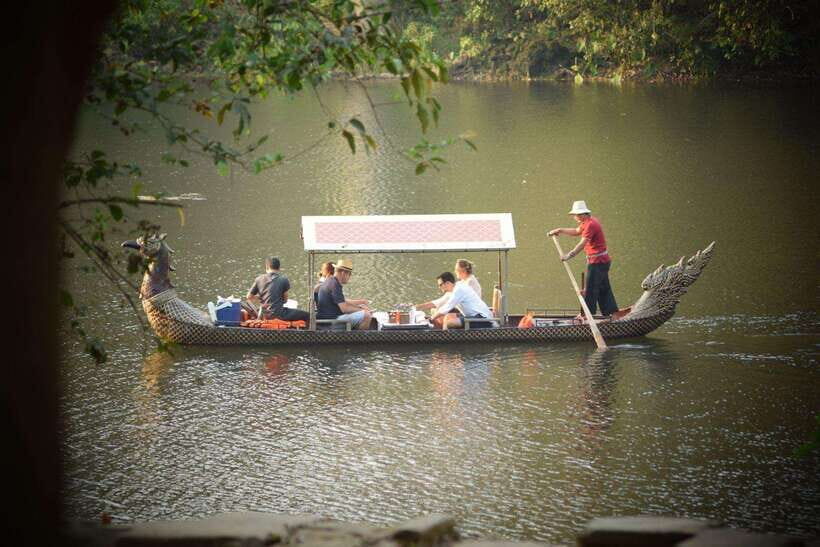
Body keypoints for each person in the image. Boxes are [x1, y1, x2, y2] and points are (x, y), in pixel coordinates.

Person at [548, 200, 619, 318]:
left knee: (590, 289)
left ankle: (586, 315)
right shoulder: (586, 222)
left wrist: (569, 255)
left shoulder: (591, 224)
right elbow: (576, 232)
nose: (574, 217)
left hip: (598, 262)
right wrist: (560, 230)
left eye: (575, 215)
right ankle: (612, 314)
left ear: (581, 214)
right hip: (601, 261)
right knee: (603, 287)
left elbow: (582, 243)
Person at [246, 256, 310, 322]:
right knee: (307, 315)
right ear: (279, 268)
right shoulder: (284, 279)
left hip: (264, 315)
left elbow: (249, 297)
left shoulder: (259, 279)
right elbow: (285, 300)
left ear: (267, 267)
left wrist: (260, 297)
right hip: (280, 314)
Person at [316, 258, 372, 330]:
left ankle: (355, 334)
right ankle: (360, 339)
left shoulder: (331, 281)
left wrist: (361, 305)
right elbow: (344, 309)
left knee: (362, 312)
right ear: (343, 273)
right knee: (366, 315)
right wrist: (362, 310)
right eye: (349, 274)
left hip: (329, 319)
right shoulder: (334, 284)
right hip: (330, 322)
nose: (349, 277)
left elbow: (343, 302)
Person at [429, 272, 494, 329]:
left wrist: (431, 318)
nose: (439, 287)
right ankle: (445, 337)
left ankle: (446, 340)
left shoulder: (458, 290)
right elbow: (445, 305)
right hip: (473, 316)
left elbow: (446, 308)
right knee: (448, 317)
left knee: (449, 323)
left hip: (482, 319)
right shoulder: (458, 285)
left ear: (448, 283)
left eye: (440, 285)